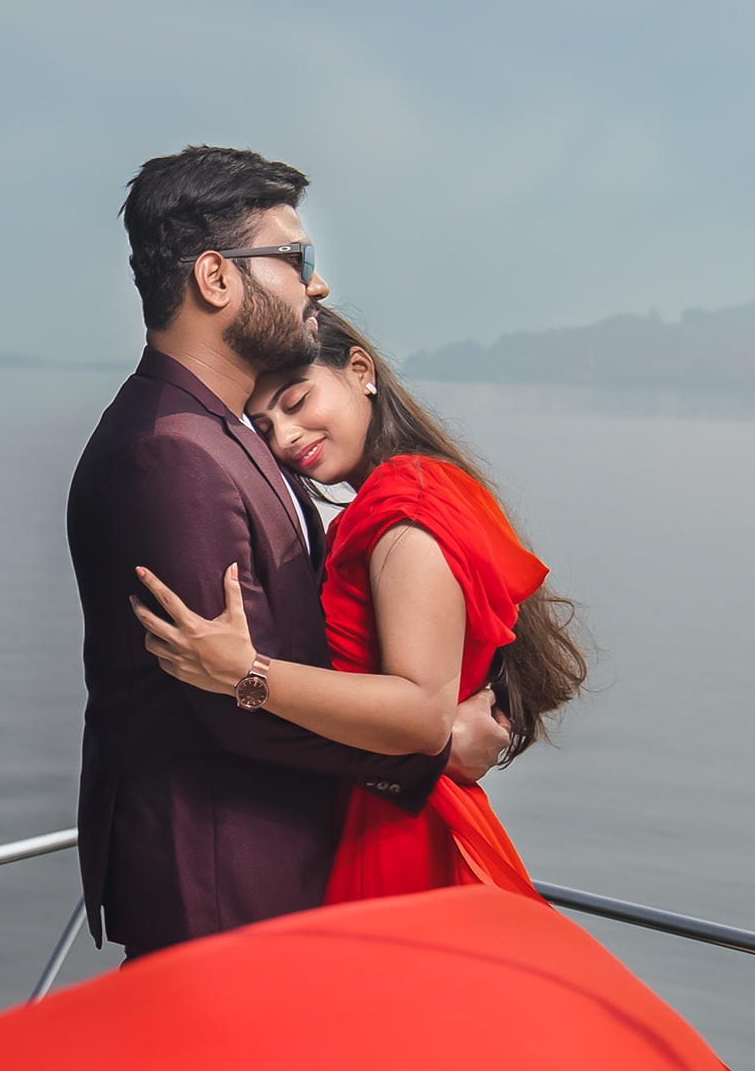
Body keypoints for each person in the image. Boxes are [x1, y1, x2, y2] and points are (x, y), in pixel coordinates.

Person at [66, 148, 508, 958]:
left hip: (280, 866)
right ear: (216, 278)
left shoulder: (228, 431)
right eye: (296, 259)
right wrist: (435, 749)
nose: (319, 285)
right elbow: (227, 703)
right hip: (221, 878)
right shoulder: (170, 453)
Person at [133, 307, 586, 903]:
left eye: (296, 403)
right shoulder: (403, 498)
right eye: (263, 427)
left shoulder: (406, 514)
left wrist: (245, 672)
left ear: (360, 371)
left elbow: (422, 713)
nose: (285, 438)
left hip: (398, 834)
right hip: (384, 814)